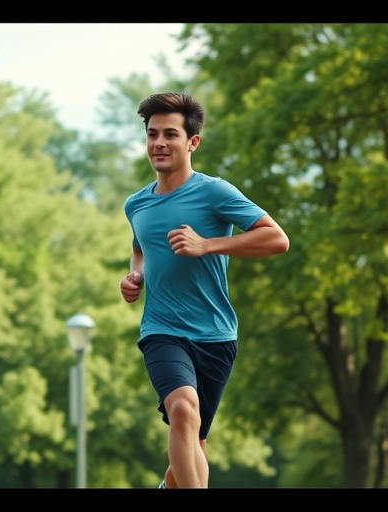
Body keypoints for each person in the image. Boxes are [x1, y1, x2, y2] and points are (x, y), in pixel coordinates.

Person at [119, 92, 289, 489]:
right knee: (182, 411)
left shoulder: (215, 192)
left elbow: (277, 239)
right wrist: (135, 276)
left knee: (193, 443)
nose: (159, 143)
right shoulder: (136, 204)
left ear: (192, 142)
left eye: (170, 134)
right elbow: (139, 247)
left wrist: (207, 244)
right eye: (152, 134)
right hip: (162, 330)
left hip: (215, 334)